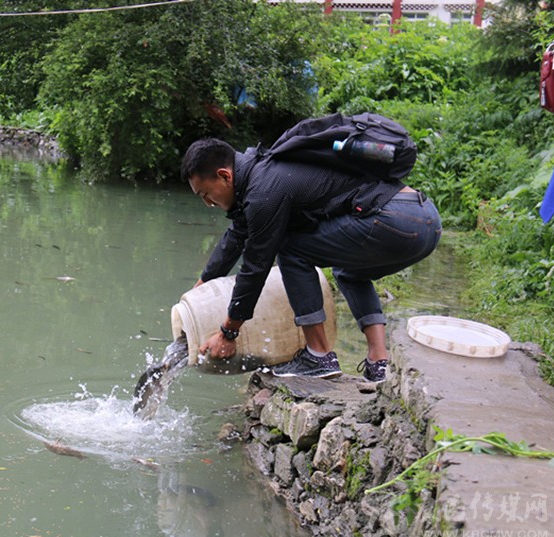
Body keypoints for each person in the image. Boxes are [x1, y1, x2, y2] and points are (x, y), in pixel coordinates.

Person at [180, 137, 441, 382]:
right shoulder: (262, 173)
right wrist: (200, 287)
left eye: (205, 194)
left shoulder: (263, 191)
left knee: (291, 248)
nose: (208, 203)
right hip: (425, 221)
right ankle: (378, 362)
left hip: (393, 220)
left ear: (225, 176)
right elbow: (237, 235)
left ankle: (319, 356)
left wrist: (228, 333)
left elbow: (255, 267)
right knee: (349, 272)